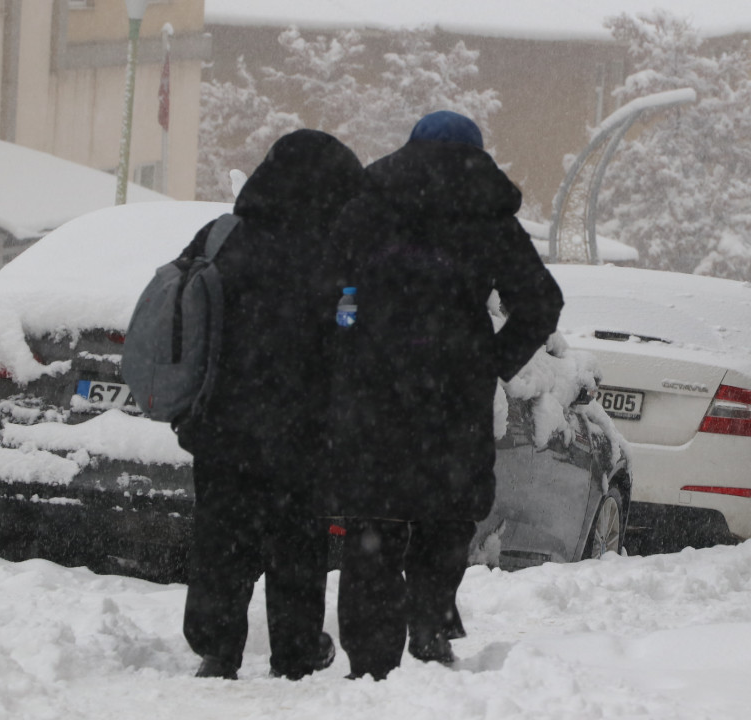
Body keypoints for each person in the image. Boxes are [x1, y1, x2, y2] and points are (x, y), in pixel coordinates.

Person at [324, 111, 563, 680]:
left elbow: (328, 285)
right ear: (476, 153)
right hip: (453, 394)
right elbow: (541, 303)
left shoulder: (369, 203)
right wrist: (492, 362)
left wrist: (347, 345)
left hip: (374, 389)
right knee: (447, 514)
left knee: (373, 519)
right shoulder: (490, 218)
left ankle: (370, 658)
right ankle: (430, 626)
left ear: (412, 145)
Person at [178, 129, 365, 680]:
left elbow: (185, 316)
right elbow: (352, 340)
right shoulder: (337, 252)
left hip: (219, 423)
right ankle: (297, 649)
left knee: (220, 535)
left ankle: (217, 647)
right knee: (298, 543)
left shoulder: (219, 236)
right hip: (303, 430)